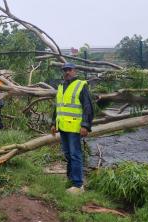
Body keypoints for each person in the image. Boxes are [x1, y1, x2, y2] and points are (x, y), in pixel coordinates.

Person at [50, 63, 94, 194]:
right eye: (65, 70)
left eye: (69, 70)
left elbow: (88, 107)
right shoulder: (61, 86)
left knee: (75, 155)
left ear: (75, 71)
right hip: (63, 127)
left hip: (75, 127)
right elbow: (57, 107)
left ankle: (78, 185)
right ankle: (70, 179)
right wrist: (53, 123)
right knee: (68, 154)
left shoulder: (81, 85)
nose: (67, 72)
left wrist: (85, 125)